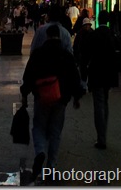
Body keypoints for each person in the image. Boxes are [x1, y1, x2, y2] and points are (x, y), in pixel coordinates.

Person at [20, 23, 84, 181]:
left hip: (41, 97)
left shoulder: (38, 54)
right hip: (60, 98)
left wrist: (25, 94)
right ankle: (52, 165)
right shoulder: (66, 55)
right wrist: (76, 96)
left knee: (39, 127)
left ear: (47, 36)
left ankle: (40, 150)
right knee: (56, 132)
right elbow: (74, 78)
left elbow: (28, 76)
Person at [84, 10, 120, 149]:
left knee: (98, 104)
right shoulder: (113, 35)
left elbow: (86, 54)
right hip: (109, 74)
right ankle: (103, 134)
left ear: (98, 19)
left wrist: (84, 71)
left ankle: (101, 137)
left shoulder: (94, 35)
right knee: (104, 101)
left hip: (96, 73)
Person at [73, 17, 93, 86]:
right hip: (83, 56)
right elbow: (76, 46)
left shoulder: (81, 33)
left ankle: (86, 85)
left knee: (85, 71)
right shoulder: (89, 33)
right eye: (86, 25)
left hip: (87, 56)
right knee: (84, 71)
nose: (87, 26)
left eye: (88, 25)